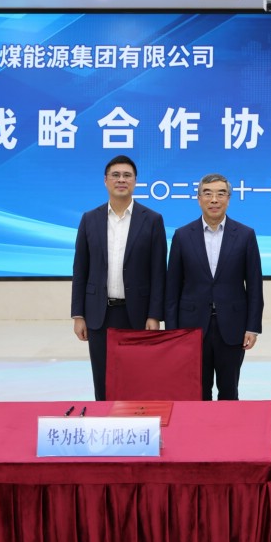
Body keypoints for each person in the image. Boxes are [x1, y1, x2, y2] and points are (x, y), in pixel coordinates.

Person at [71, 155, 167, 400]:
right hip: (99, 313)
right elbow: (80, 269)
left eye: (127, 175)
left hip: (137, 313)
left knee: (138, 377)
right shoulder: (90, 219)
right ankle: (105, 420)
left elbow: (158, 272)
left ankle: (135, 422)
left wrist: (154, 315)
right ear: (105, 181)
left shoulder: (152, 220)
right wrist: (78, 314)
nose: (121, 180)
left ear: (135, 181)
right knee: (102, 380)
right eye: (115, 175)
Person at [165, 173, 263, 400]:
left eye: (221, 194)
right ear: (199, 199)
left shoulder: (245, 235)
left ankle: (228, 425)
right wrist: (172, 331)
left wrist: (252, 327)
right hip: (191, 327)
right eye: (207, 194)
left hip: (233, 327)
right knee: (197, 391)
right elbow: (172, 288)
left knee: (229, 391)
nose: (214, 200)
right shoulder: (182, 235)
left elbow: (254, 286)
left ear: (229, 199)